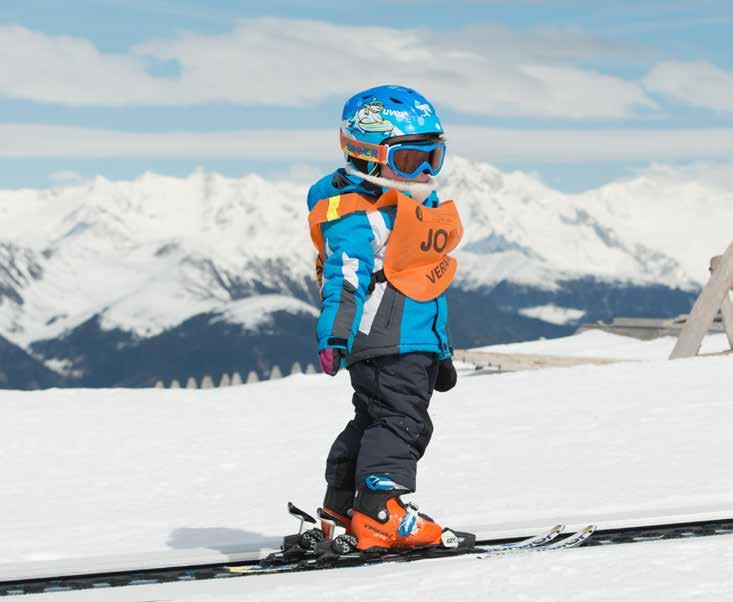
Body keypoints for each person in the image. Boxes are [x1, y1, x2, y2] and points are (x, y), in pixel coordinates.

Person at [306, 85, 463, 551]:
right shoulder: (359, 216)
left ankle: (341, 508)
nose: (427, 172)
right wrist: (335, 334)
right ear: (368, 155)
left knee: (375, 419)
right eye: (412, 161)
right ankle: (380, 512)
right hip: (387, 340)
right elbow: (345, 276)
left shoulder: (402, 207)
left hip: (408, 340)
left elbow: (423, 283)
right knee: (401, 421)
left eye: (434, 157)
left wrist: (440, 349)